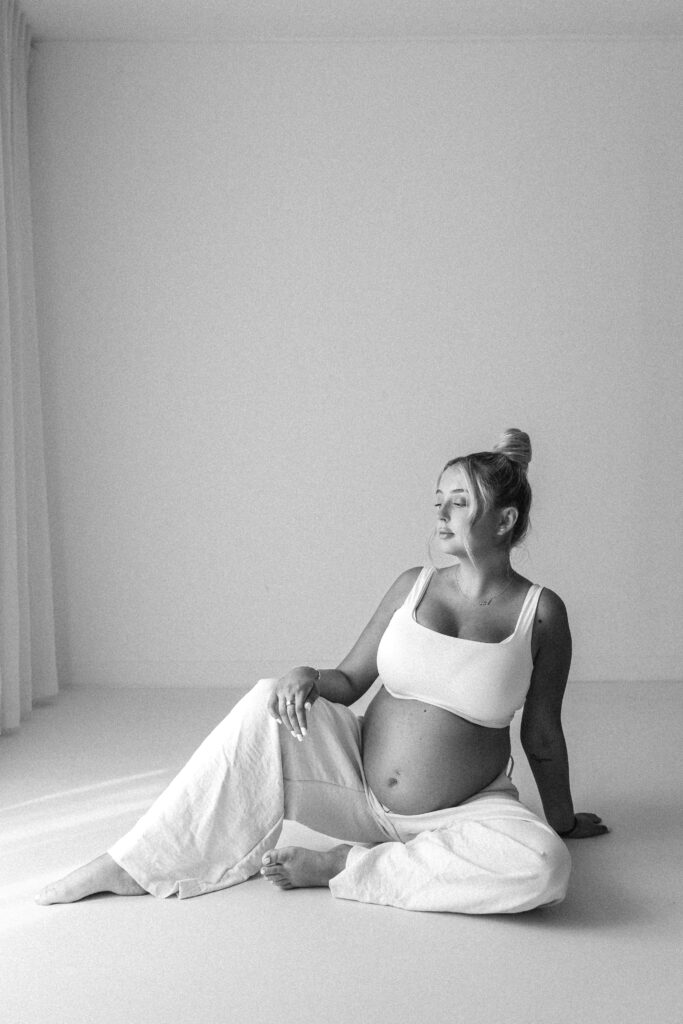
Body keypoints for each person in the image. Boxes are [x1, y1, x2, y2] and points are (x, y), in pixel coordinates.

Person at [36, 428, 608, 913]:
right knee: (267, 701)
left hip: (462, 812)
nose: (440, 511)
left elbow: (541, 733)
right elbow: (349, 680)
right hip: (351, 785)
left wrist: (560, 821)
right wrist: (305, 674)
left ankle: (350, 867)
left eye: (459, 501)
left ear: (505, 520)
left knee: (544, 868)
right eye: (438, 498)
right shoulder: (414, 586)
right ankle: (133, 863)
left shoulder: (542, 613)